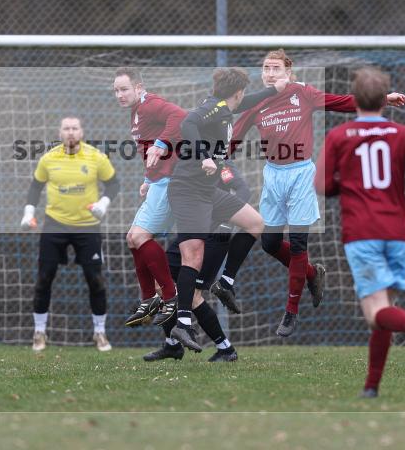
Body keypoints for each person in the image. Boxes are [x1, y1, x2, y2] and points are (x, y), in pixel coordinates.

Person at [228, 49, 405, 337]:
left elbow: (341, 102)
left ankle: (291, 312)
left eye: (276, 68)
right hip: (273, 176)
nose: (270, 73)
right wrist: (212, 158)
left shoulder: (304, 93)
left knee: (298, 244)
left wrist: (382, 99)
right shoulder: (257, 102)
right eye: (266, 68)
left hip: (301, 174)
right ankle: (313, 275)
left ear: (289, 72)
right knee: (270, 243)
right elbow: (234, 138)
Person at [315, 66, 405, 398]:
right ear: (385, 100)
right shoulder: (404, 134)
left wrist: (347, 184)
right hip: (399, 232)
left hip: (362, 233)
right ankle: (371, 388)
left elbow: (323, 185)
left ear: (354, 98)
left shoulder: (339, 137)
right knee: (384, 313)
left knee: (376, 314)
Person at [156, 68, 287, 351]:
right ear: (236, 93)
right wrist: (204, 156)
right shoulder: (213, 107)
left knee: (254, 222)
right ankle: (183, 325)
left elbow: (250, 101)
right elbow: (188, 123)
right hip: (188, 190)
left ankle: (225, 282)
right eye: (243, 94)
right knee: (193, 256)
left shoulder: (225, 107)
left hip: (208, 192)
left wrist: (275, 90)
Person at [22, 116, 120, 352]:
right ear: (60, 132)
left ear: (82, 132)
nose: (71, 132)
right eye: (66, 128)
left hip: (87, 227)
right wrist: (28, 212)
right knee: (44, 278)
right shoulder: (48, 159)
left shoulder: (96, 157)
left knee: (95, 280)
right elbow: (35, 187)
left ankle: (100, 334)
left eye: (75, 128)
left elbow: (114, 184)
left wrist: (103, 205)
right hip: (55, 225)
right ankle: (39, 333)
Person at [144, 164, 250, 363]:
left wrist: (226, 222)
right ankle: (172, 345)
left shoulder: (220, 165)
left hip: (212, 238)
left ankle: (226, 349)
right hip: (191, 233)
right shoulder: (189, 164)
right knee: (160, 281)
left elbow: (243, 189)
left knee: (192, 295)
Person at [113, 67, 185, 327]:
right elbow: (150, 149)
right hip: (157, 182)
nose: (120, 95)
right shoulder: (136, 111)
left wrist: (161, 144)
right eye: (116, 91)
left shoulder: (149, 104)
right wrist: (147, 178)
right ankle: (148, 298)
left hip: (170, 183)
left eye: (124, 89)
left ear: (139, 88)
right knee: (133, 238)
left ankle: (170, 295)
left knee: (140, 237)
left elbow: (180, 117)